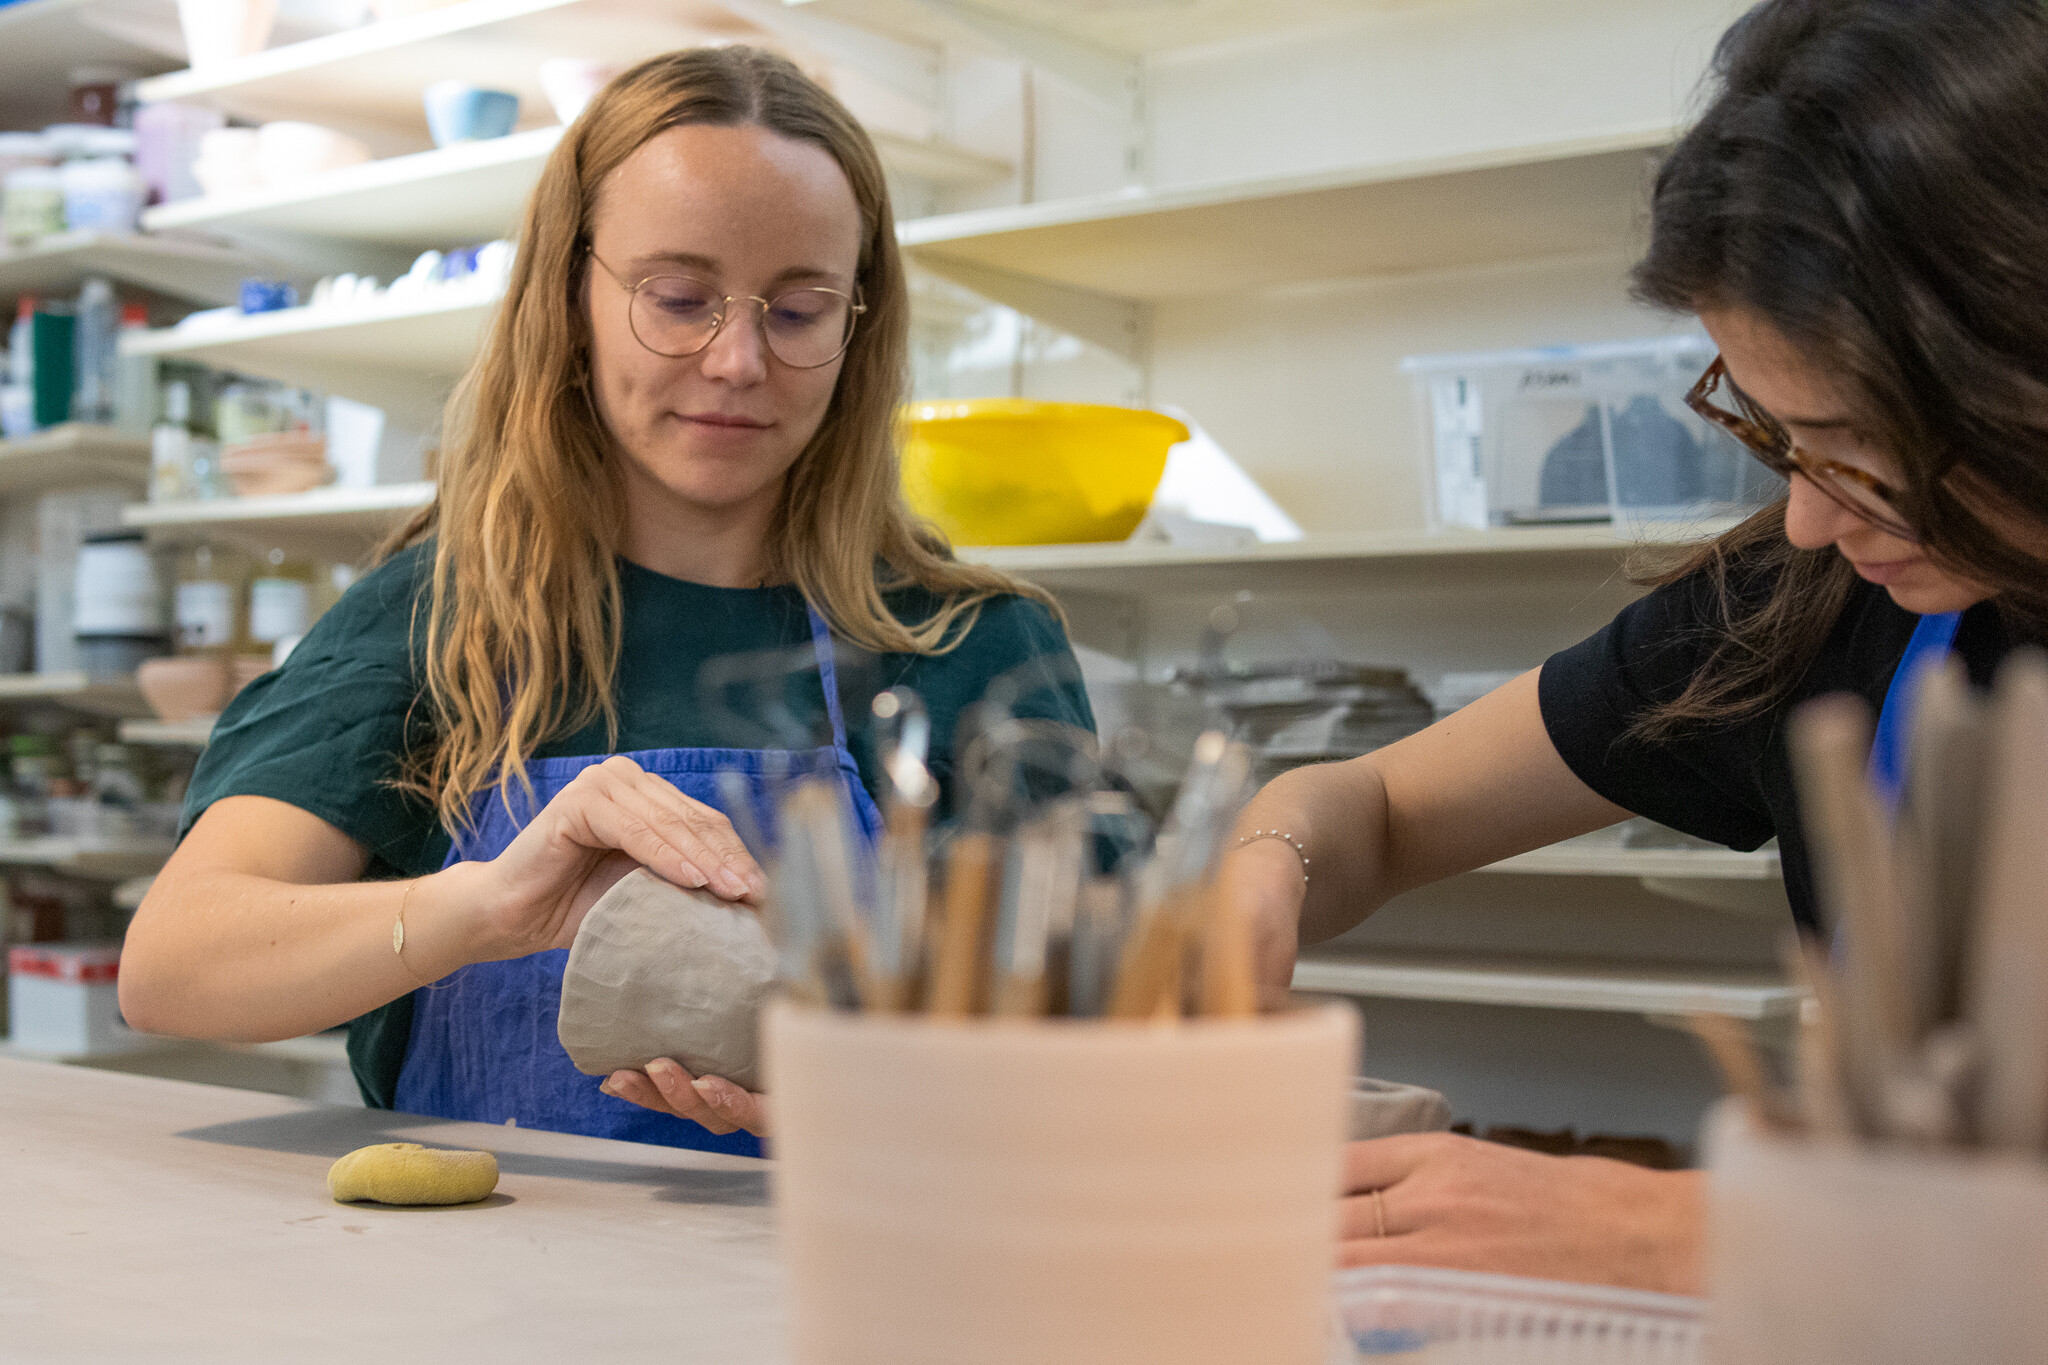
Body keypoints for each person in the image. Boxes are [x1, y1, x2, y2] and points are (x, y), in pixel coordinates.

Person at [119, 47, 1091, 1157]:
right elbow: (173, 967)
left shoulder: (967, 647)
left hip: (859, 1246)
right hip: (484, 1262)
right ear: (569, 294)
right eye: (677, 299)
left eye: (797, 310)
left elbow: (1102, 1044)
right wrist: (486, 907)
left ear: (856, 327)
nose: (737, 360)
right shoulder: (442, 620)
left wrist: (892, 1100)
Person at [1221, 0, 2048, 1294]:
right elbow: (1372, 808)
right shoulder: (1815, 605)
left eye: (1856, 446)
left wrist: (1695, 1235)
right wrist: (1265, 870)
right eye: (1773, 433)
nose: (1806, 516)